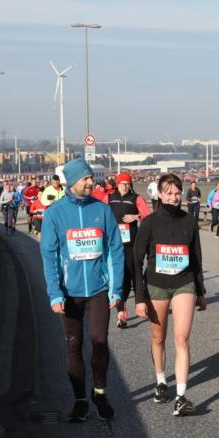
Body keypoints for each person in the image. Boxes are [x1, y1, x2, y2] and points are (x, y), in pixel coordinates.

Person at [40, 158, 125, 423]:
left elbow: (115, 250)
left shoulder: (102, 210)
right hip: (69, 293)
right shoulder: (55, 214)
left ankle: (100, 394)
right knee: (73, 346)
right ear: (72, 182)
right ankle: (80, 401)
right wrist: (54, 292)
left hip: (99, 290)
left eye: (91, 177)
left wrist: (116, 288)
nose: (92, 182)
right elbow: (49, 256)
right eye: (86, 178)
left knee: (100, 341)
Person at [133, 173, 206, 416]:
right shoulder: (150, 222)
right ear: (160, 194)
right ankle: (161, 381)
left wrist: (201, 291)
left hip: (184, 284)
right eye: (169, 193)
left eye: (177, 193)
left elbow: (196, 258)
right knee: (158, 338)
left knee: (182, 339)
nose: (174, 197)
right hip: (157, 286)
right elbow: (136, 261)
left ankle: (181, 397)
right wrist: (140, 298)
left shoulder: (189, 221)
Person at [107, 172, 152, 328]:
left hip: (132, 244)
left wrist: (136, 217)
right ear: (117, 184)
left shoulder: (136, 199)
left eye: (127, 184)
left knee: (134, 275)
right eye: (122, 183)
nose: (125, 186)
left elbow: (149, 216)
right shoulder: (109, 198)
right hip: (114, 245)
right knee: (120, 277)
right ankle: (121, 312)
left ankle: (140, 302)